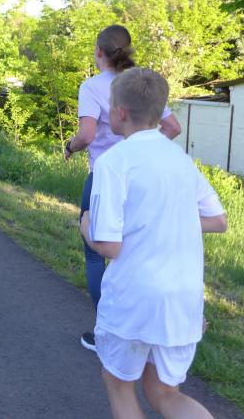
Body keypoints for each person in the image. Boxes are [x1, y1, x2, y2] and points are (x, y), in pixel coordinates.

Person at [79, 67, 227, 419]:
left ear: (119, 112)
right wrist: (167, 220)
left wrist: (85, 226)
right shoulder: (181, 159)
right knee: (163, 392)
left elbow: (109, 245)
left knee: (117, 382)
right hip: (182, 298)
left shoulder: (113, 162)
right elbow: (218, 220)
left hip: (134, 297)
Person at [65, 25, 181, 352]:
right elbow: (172, 127)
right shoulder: (141, 82)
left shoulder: (92, 86)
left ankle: (107, 331)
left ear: (98, 52)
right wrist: (146, 149)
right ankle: (142, 327)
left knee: (96, 249)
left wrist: (70, 147)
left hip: (104, 175)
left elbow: (87, 135)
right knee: (136, 249)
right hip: (143, 178)